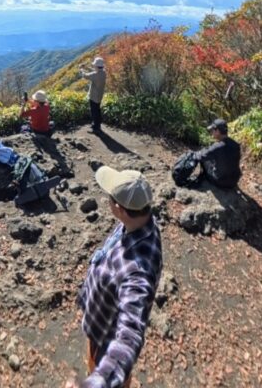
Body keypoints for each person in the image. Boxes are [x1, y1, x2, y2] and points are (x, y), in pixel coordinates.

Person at [76, 166, 162, 388]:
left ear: (119, 208)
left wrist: (96, 383)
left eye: (110, 197)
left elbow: (130, 335)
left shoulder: (136, 272)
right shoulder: (140, 223)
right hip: (102, 318)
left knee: (100, 369)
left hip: (106, 337)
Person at [193, 118, 242, 189]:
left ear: (218, 131)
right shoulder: (236, 145)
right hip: (234, 182)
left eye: (212, 130)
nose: (211, 132)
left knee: (205, 161)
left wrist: (194, 153)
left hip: (220, 182)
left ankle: (204, 180)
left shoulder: (217, 146)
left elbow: (200, 156)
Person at [79, 57, 106, 133]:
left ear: (97, 66)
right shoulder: (103, 72)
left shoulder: (95, 75)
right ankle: (97, 124)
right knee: (97, 110)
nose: (94, 66)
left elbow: (85, 76)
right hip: (99, 95)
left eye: (94, 65)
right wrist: (87, 67)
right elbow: (95, 71)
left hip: (94, 96)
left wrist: (81, 69)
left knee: (94, 111)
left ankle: (96, 128)